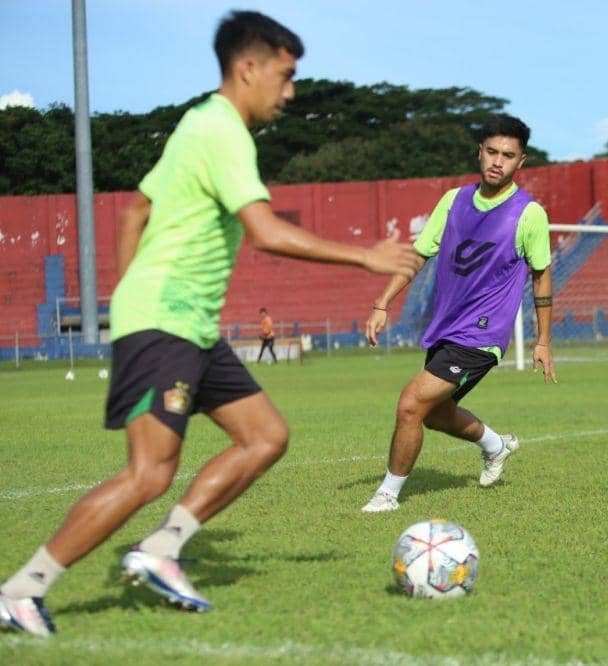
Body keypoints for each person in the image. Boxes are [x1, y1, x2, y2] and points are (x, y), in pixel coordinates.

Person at [0, 10, 420, 637]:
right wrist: (366, 255)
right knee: (150, 473)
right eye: (285, 75)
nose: (290, 92)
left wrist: (133, 295)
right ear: (247, 67)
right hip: (166, 323)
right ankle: (20, 591)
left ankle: (162, 548)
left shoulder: (195, 124)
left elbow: (133, 212)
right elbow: (265, 232)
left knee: (265, 436)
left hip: (184, 324)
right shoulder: (221, 130)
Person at [361, 114, 556, 513]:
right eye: (491, 152)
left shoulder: (529, 214)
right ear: (479, 152)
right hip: (446, 327)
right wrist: (382, 303)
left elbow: (542, 278)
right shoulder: (453, 201)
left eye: (508, 155)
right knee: (433, 416)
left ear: (521, 162)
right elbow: (418, 255)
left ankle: (388, 495)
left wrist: (543, 341)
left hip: (483, 333)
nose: (497, 162)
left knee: (411, 404)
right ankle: (496, 446)